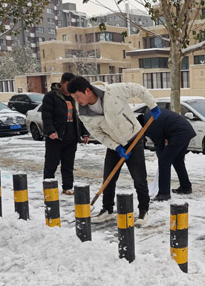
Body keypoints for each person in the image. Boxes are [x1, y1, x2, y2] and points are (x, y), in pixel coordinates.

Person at [67, 76, 161, 225]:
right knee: (109, 178)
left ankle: (144, 211)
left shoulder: (113, 91)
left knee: (139, 179)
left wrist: (152, 105)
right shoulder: (83, 112)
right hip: (115, 144)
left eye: (78, 96)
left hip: (133, 138)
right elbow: (98, 134)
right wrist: (116, 147)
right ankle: (107, 210)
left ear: (87, 90)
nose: (77, 101)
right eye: (74, 98)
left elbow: (138, 89)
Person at [42, 72, 89, 195]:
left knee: (68, 165)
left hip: (71, 137)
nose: (70, 88)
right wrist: (51, 131)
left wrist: (84, 133)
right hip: (55, 137)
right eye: (68, 85)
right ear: (62, 83)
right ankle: (48, 187)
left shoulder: (74, 98)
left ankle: (67, 187)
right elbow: (46, 116)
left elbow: (80, 117)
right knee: (51, 164)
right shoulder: (51, 96)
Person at [138, 108, 196, 201]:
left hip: (180, 132)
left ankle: (164, 193)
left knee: (164, 161)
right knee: (177, 160)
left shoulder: (150, 125)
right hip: (186, 130)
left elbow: (159, 144)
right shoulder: (150, 116)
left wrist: (162, 159)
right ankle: (186, 187)